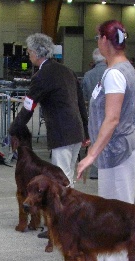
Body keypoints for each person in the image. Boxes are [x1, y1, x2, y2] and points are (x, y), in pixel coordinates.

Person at [77, 20, 135, 261]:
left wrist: (92, 154)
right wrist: (93, 139)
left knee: (117, 211)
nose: (97, 42)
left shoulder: (116, 73)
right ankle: (110, 259)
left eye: (98, 38)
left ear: (106, 41)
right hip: (117, 147)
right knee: (113, 208)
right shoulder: (119, 68)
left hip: (118, 150)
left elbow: (113, 118)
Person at [9, 33, 89, 189]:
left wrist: (13, 128)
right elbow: (81, 104)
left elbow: (28, 107)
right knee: (68, 176)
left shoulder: (41, 76)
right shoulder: (68, 71)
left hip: (62, 134)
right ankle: (70, 210)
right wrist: (86, 131)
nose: (29, 55)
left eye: (30, 52)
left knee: (60, 181)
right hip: (76, 132)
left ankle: (65, 212)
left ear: (37, 53)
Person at [82, 48, 107, 179]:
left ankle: (94, 171)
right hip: (109, 114)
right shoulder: (112, 72)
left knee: (95, 142)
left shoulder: (87, 75)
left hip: (93, 115)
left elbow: (84, 96)